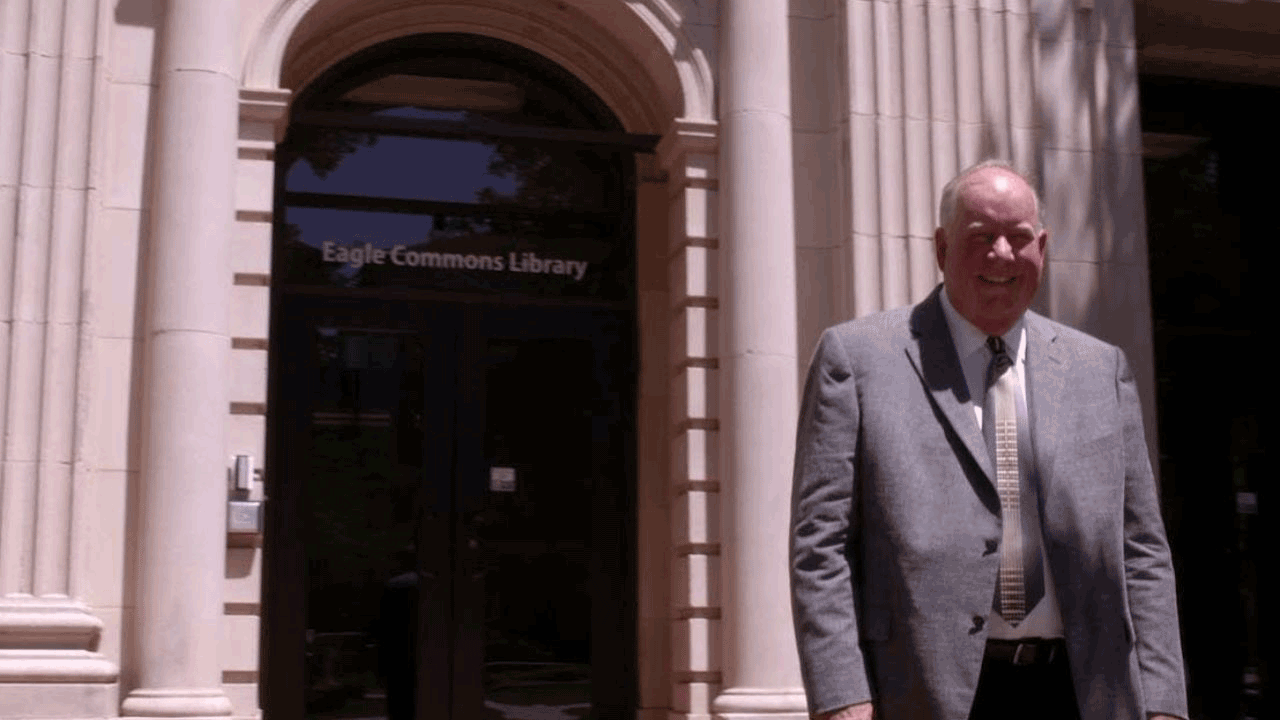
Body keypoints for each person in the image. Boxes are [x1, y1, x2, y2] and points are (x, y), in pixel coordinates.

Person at [789, 160, 1188, 720]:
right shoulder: (857, 360)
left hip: (1081, 692)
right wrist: (842, 696)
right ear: (941, 248)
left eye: (1018, 237)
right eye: (981, 236)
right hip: (922, 693)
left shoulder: (1101, 370)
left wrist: (1164, 699)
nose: (1001, 254)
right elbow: (820, 546)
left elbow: (1141, 548)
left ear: (1041, 248)